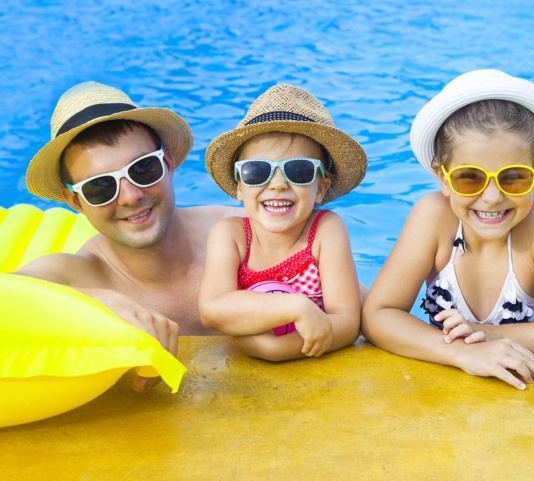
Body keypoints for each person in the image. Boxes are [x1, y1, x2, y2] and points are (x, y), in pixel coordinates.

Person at [362, 70, 534, 390]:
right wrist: (463, 354)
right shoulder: (433, 218)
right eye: (469, 177)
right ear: (443, 178)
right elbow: (378, 316)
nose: (492, 197)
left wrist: (493, 334)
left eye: (514, 177)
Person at [16, 81, 242, 390]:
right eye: (100, 187)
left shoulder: (242, 232)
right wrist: (101, 301)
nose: (130, 197)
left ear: (168, 165)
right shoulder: (76, 275)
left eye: (143, 169)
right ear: (75, 202)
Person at [198, 84, 366, 362]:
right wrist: (295, 307)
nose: (277, 185)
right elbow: (212, 310)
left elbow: (347, 323)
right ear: (240, 187)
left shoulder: (325, 231)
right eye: (257, 171)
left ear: (321, 188)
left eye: (298, 170)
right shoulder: (231, 235)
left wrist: (275, 349)